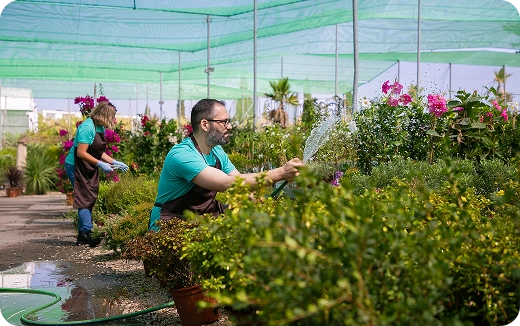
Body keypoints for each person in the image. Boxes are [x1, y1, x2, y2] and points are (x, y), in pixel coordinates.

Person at [148, 98, 303, 231]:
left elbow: (239, 181)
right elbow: (228, 183)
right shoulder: (183, 154)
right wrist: (281, 173)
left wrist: (253, 199)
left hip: (200, 220)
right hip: (170, 223)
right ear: (205, 124)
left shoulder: (217, 152)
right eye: (224, 122)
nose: (229, 126)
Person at [64, 101, 129, 247]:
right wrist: (100, 164)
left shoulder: (99, 127)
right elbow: (81, 153)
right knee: (84, 198)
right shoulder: (87, 128)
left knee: (89, 197)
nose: (113, 121)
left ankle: (82, 235)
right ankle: (88, 233)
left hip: (88, 165)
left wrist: (113, 161)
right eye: (112, 117)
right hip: (76, 166)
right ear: (104, 116)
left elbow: (98, 152)